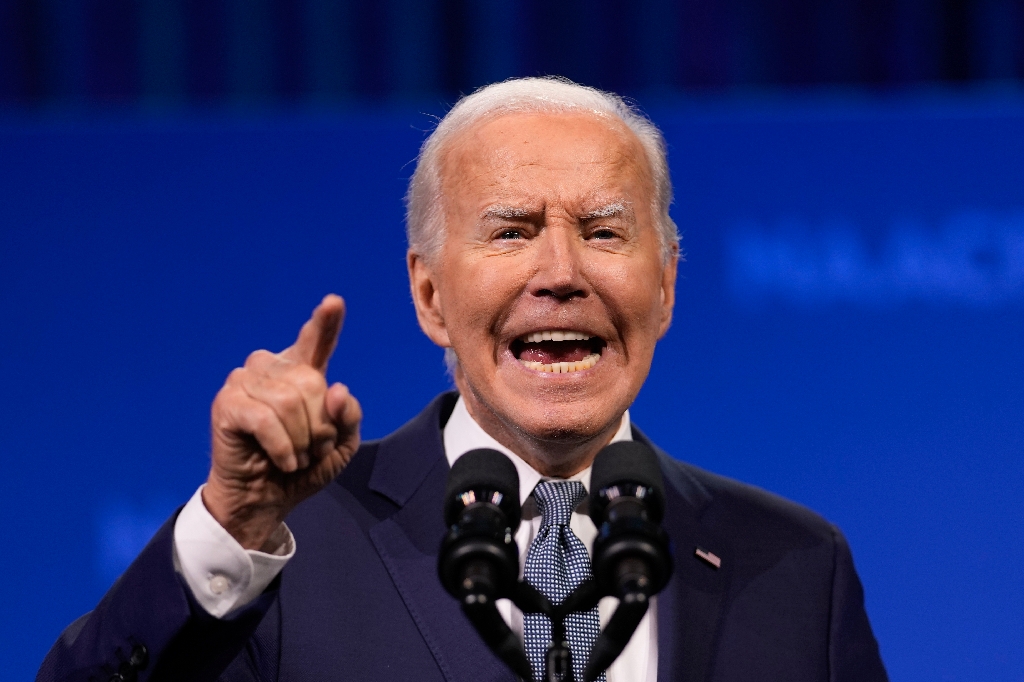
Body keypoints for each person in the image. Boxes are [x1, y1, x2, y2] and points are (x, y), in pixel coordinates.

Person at [38, 77, 887, 682]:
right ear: (430, 294)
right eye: (512, 231)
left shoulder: (796, 567)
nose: (560, 271)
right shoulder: (289, 547)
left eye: (602, 230)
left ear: (664, 287)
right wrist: (232, 524)